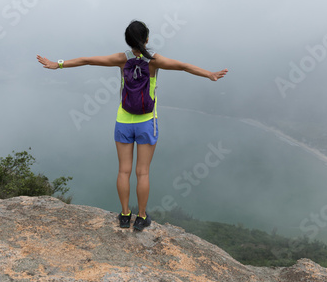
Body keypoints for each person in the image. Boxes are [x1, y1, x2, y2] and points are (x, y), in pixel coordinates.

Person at [37, 20, 228, 231]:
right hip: (147, 121)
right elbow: (183, 66)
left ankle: (125, 215)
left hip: (123, 120)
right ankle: (142, 217)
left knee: (123, 171)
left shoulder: (121, 59)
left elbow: (88, 60)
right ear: (147, 39)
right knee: (143, 173)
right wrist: (209, 74)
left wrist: (58, 64)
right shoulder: (154, 61)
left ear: (128, 42)